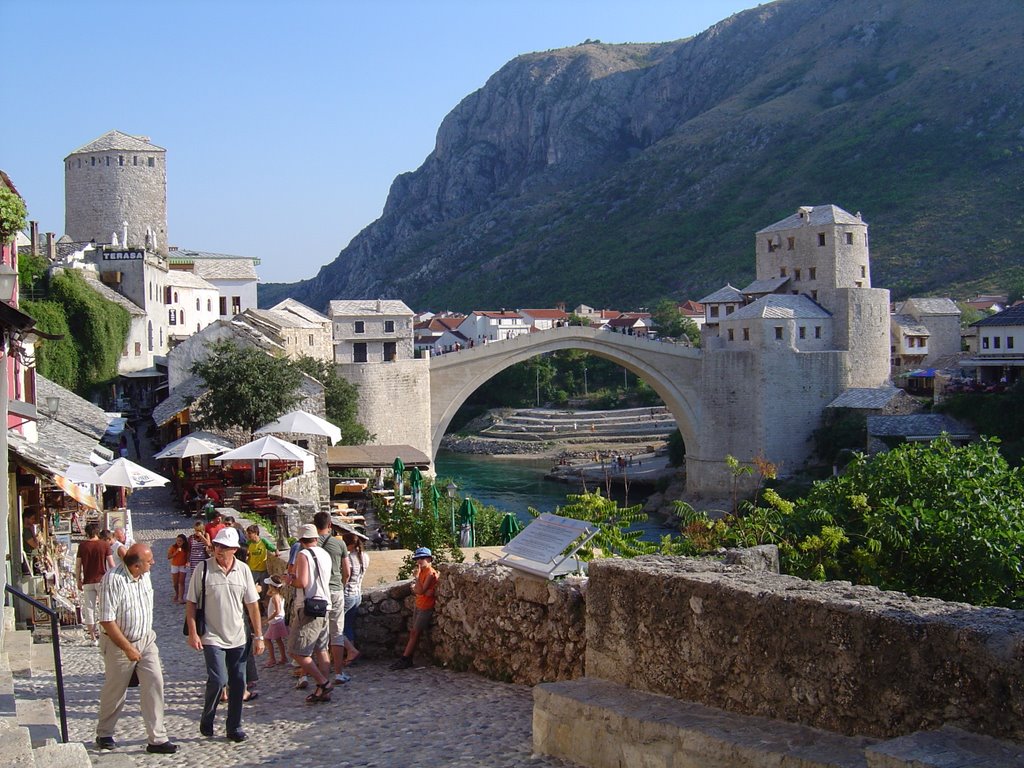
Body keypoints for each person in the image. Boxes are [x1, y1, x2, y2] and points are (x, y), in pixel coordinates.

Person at [95, 542, 177, 754]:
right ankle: (104, 732)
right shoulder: (113, 581)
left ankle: (157, 738)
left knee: (155, 682)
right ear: (136, 566)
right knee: (116, 689)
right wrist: (127, 648)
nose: (154, 563)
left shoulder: (144, 575)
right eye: (149, 561)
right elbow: (106, 620)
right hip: (119, 643)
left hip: (146, 639)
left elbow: (124, 550)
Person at [185, 527, 263, 743]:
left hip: (238, 636)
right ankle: (207, 717)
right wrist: (193, 631)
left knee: (239, 682)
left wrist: (259, 636)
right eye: (218, 545)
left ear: (235, 550)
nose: (219, 550)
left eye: (224, 547)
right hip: (212, 636)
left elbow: (252, 606)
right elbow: (191, 602)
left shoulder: (244, 570)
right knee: (219, 679)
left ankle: (234, 726)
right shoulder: (203, 569)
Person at [283, 523, 332, 703]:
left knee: (296, 650)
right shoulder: (325, 554)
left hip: (309, 606)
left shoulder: (303, 554)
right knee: (321, 649)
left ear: (301, 539)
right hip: (325, 604)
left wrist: (289, 580)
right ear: (315, 538)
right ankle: (322, 691)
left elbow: (302, 582)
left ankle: (323, 682)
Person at [313, 511, 347, 687]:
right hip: (335, 590)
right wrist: (341, 584)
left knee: (319, 634)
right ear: (330, 525)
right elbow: (347, 571)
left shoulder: (311, 545)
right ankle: (339, 672)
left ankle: (319, 674)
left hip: (318, 593)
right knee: (337, 632)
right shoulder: (339, 544)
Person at [390, 547, 438, 670]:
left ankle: (405, 658)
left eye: (421, 558)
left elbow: (420, 589)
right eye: (417, 558)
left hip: (426, 606)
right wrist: (420, 590)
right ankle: (407, 658)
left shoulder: (430, 573)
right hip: (419, 603)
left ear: (429, 558)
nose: (419, 561)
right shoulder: (423, 571)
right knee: (414, 632)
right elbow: (419, 591)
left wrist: (417, 582)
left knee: (415, 632)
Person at [340, 525, 369, 670]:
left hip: (347, 595)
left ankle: (350, 652)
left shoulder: (349, 558)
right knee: (349, 626)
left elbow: (346, 575)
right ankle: (350, 656)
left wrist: (340, 587)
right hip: (358, 594)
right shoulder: (365, 556)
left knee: (337, 628)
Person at [74, 522, 108, 646]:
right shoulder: (104, 545)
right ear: (97, 532)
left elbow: (78, 565)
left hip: (88, 581)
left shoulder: (82, 546)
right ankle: (104, 633)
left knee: (89, 608)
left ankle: (93, 637)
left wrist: (78, 579)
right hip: (102, 580)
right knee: (103, 607)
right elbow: (111, 564)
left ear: (87, 533)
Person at [263, 576, 288, 667]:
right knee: (278, 640)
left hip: (275, 621)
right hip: (278, 621)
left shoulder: (275, 597)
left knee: (267, 639)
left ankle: (272, 659)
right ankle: (283, 657)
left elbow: (277, 611)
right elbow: (268, 593)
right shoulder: (278, 595)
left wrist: (267, 620)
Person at [186, 521, 210, 588]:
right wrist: (187, 560)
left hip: (203, 559)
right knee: (194, 577)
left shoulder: (206, 535)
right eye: (196, 530)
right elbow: (189, 550)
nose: (196, 532)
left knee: (203, 576)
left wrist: (201, 536)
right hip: (194, 560)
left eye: (198, 530)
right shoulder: (191, 537)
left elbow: (208, 544)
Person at [167, 534, 189, 604]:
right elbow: (169, 557)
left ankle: (181, 597)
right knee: (175, 583)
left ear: (184, 541)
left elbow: (188, 556)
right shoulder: (173, 547)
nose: (178, 542)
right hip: (174, 566)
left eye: (180, 541)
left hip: (182, 566)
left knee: (181, 582)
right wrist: (176, 552)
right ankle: (177, 593)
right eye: (177, 540)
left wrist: (187, 562)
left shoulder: (186, 548)